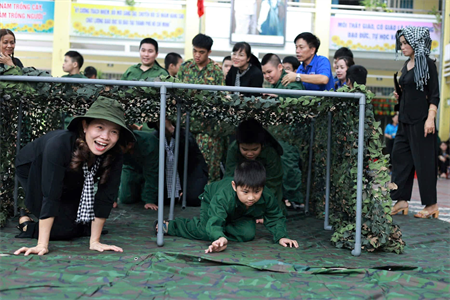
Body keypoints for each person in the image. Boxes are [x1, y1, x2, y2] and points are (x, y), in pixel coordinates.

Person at [14, 97, 136, 256]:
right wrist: (42, 245)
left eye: (114, 131)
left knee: (78, 222)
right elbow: (51, 194)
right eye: (99, 127)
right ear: (85, 126)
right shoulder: (60, 145)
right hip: (34, 165)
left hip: (76, 171)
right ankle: (26, 223)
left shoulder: (115, 153)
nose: (105, 137)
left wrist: (95, 241)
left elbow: (107, 194)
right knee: (62, 230)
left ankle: (73, 225)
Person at [157, 161, 299, 253]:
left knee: (248, 234)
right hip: (211, 199)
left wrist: (281, 236)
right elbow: (215, 218)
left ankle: (220, 229)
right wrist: (219, 237)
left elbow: (275, 216)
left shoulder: (267, 195)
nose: (251, 197)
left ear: (263, 187)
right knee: (206, 230)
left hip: (238, 211)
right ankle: (171, 226)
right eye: (245, 192)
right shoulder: (223, 196)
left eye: (257, 191)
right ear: (234, 186)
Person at [390, 26, 440, 219]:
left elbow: (434, 94)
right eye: (401, 43)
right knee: (400, 157)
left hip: (422, 120)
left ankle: (431, 205)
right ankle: (401, 200)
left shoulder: (427, 63)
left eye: (405, 43)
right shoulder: (406, 65)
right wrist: (400, 94)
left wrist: (431, 118)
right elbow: (411, 91)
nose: (402, 47)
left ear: (417, 42)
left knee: (424, 162)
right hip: (404, 120)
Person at [177, 34, 224, 182]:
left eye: (201, 52)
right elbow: (177, 93)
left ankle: (210, 195)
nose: (197, 55)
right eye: (195, 51)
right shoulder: (185, 68)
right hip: (187, 124)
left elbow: (221, 97)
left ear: (209, 52)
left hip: (207, 127)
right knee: (186, 162)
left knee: (210, 163)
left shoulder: (216, 70)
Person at [261, 54, 304, 208]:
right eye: (264, 73)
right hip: (277, 132)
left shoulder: (289, 79)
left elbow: (299, 99)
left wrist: (277, 96)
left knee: (289, 166)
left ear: (280, 67)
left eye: (269, 72)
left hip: (290, 134)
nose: (267, 76)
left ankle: (296, 200)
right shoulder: (275, 84)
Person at [224, 119, 283, 211]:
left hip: (265, 189)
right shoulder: (233, 150)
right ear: (238, 145)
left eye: (255, 149)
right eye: (245, 149)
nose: (250, 154)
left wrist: (261, 205)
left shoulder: (271, 152)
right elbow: (229, 177)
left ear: (262, 145)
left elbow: (274, 182)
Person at [149, 120, 209, 207]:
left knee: (193, 199)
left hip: (191, 172)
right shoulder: (156, 136)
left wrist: (172, 130)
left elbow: (189, 147)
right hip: (168, 175)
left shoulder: (183, 134)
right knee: (163, 200)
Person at [118, 129, 159, 210]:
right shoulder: (118, 147)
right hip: (129, 166)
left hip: (150, 166)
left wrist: (149, 200)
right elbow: (111, 171)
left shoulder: (149, 143)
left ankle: (145, 192)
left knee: (156, 195)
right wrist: (111, 199)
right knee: (126, 198)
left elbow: (153, 173)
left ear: (129, 145)